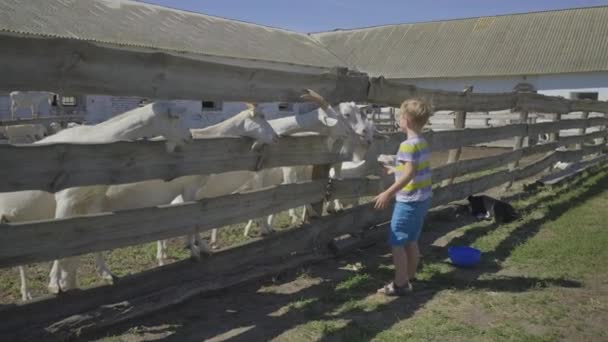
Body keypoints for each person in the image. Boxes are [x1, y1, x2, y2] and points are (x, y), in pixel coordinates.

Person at [374, 98, 433, 296]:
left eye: (400, 116)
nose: (399, 119)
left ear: (406, 120)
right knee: (411, 240)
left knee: (397, 240)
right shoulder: (422, 142)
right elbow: (412, 168)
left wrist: (387, 192)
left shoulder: (407, 145)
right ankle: (411, 275)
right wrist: (395, 169)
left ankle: (400, 284)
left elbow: (409, 174)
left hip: (408, 201)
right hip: (423, 199)